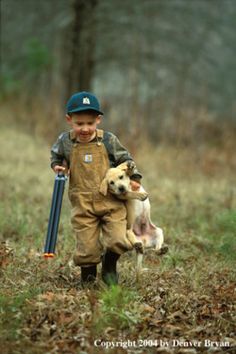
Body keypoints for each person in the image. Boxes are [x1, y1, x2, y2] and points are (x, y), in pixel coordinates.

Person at [50, 91, 142, 286]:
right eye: (79, 123)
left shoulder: (108, 140)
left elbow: (126, 159)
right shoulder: (65, 141)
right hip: (82, 204)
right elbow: (56, 157)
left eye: (90, 123)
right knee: (87, 246)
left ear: (98, 120)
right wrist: (58, 166)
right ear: (69, 119)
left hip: (111, 201)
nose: (85, 128)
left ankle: (109, 267)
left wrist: (134, 177)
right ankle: (89, 278)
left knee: (118, 239)